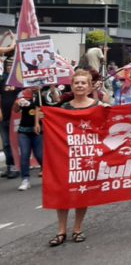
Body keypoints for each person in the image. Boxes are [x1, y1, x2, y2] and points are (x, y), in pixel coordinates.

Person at [50, 69, 100, 246]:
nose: (79, 85)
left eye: (83, 83)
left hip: (86, 156)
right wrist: (44, 117)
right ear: (71, 86)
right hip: (66, 156)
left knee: (81, 193)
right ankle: (61, 231)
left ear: (89, 86)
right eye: (76, 83)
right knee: (62, 193)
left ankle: (77, 229)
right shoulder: (64, 107)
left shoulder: (98, 106)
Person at [13, 88, 43, 191]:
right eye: (31, 84)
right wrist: (17, 103)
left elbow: (44, 108)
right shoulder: (23, 94)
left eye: (35, 84)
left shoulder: (41, 95)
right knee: (24, 155)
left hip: (37, 131)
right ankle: (25, 179)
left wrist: (38, 122)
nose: (33, 86)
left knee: (40, 155)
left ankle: (50, 174)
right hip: (24, 131)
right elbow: (16, 110)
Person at [1, 57, 20, 179]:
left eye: (11, 65)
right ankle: (10, 166)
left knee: (15, 143)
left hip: (16, 117)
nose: (9, 67)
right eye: (7, 65)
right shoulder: (1, 80)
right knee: (6, 144)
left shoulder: (19, 80)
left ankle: (16, 167)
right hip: (3, 117)